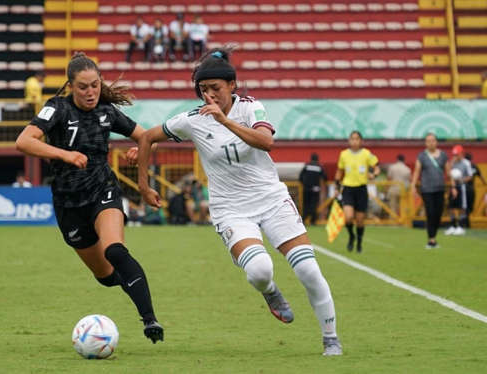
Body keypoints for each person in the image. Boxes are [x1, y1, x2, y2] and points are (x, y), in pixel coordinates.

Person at [137, 47, 342, 356]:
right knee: (260, 271)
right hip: (231, 210)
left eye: (216, 89)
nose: (210, 96)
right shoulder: (192, 120)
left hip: (271, 200)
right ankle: (270, 292)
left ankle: (331, 339)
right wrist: (142, 185)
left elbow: (266, 141)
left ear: (232, 86)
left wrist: (224, 121)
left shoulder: (251, 107)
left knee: (308, 271)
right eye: (204, 90)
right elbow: (147, 137)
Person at [15, 52, 163, 343]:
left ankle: (150, 320)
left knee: (115, 251)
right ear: (71, 86)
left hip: (102, 190)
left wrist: (140, 149)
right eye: (83, 87)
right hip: (68, 204)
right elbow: (23, 141)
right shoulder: (56, 109)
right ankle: (132, 283)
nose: (91, 92)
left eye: (95, 85)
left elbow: (147, 137)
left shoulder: (107, 111)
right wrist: (65, 154)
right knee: (107, 276)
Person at [335, 131, 380, 253]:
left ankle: (359, 242)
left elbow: (377, 167)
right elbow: (339, 171)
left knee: (360, 220)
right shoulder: (343, 154)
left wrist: (373, 174)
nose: (354, 141)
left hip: (361, 189)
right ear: (349, 141)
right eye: (352, 139)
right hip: (348, 189)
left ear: (361, 141)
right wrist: (336, 187)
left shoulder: (366, 154)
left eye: (357, 139)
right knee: (348, 217)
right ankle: (351, 236)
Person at [410, 133, 449, 249]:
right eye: (428, 141)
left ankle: (434, 236)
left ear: (436, 142)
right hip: (427, 189)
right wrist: (413, 186)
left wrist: (454, 186)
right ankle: (431, 239)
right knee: (430, 212)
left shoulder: (443, 155)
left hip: (440, 188)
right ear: (425, 143)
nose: (431, 143)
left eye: (433, 140)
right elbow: (417, 171)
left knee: (438, 213)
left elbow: (448, 171)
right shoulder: (421, 156)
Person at [444, 145, 472, 236]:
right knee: (451, 206)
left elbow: (470, 176)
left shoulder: (466, 163)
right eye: (454, 154)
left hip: (462, 186)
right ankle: (453, 225)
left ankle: (461, 226)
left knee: (462, 207)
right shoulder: (452, 163)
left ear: (461, 154)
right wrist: (451, 164)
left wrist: (462, 180)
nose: (455, 156)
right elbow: (449, 174)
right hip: (453, 186)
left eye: (457, 154)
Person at [299, 153, 326, 225]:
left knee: (306, 204)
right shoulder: (319, 167)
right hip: (315, 189)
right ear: (317, 159)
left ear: (311, 158)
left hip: (306, 188)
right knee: (314, 205)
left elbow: (300, 177)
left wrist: (304, 184)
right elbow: (325, 177)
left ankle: (304, 220)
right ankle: (313, 221)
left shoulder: (307, 166)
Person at [464, 153, 486, 227]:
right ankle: (466, 221)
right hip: (471, 189)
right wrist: (485, 183)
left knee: (465, 206)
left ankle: (465, 221)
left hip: (464, 188)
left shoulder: (463, 166)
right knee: (470, 206)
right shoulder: (474, 166)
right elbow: (481, 176)